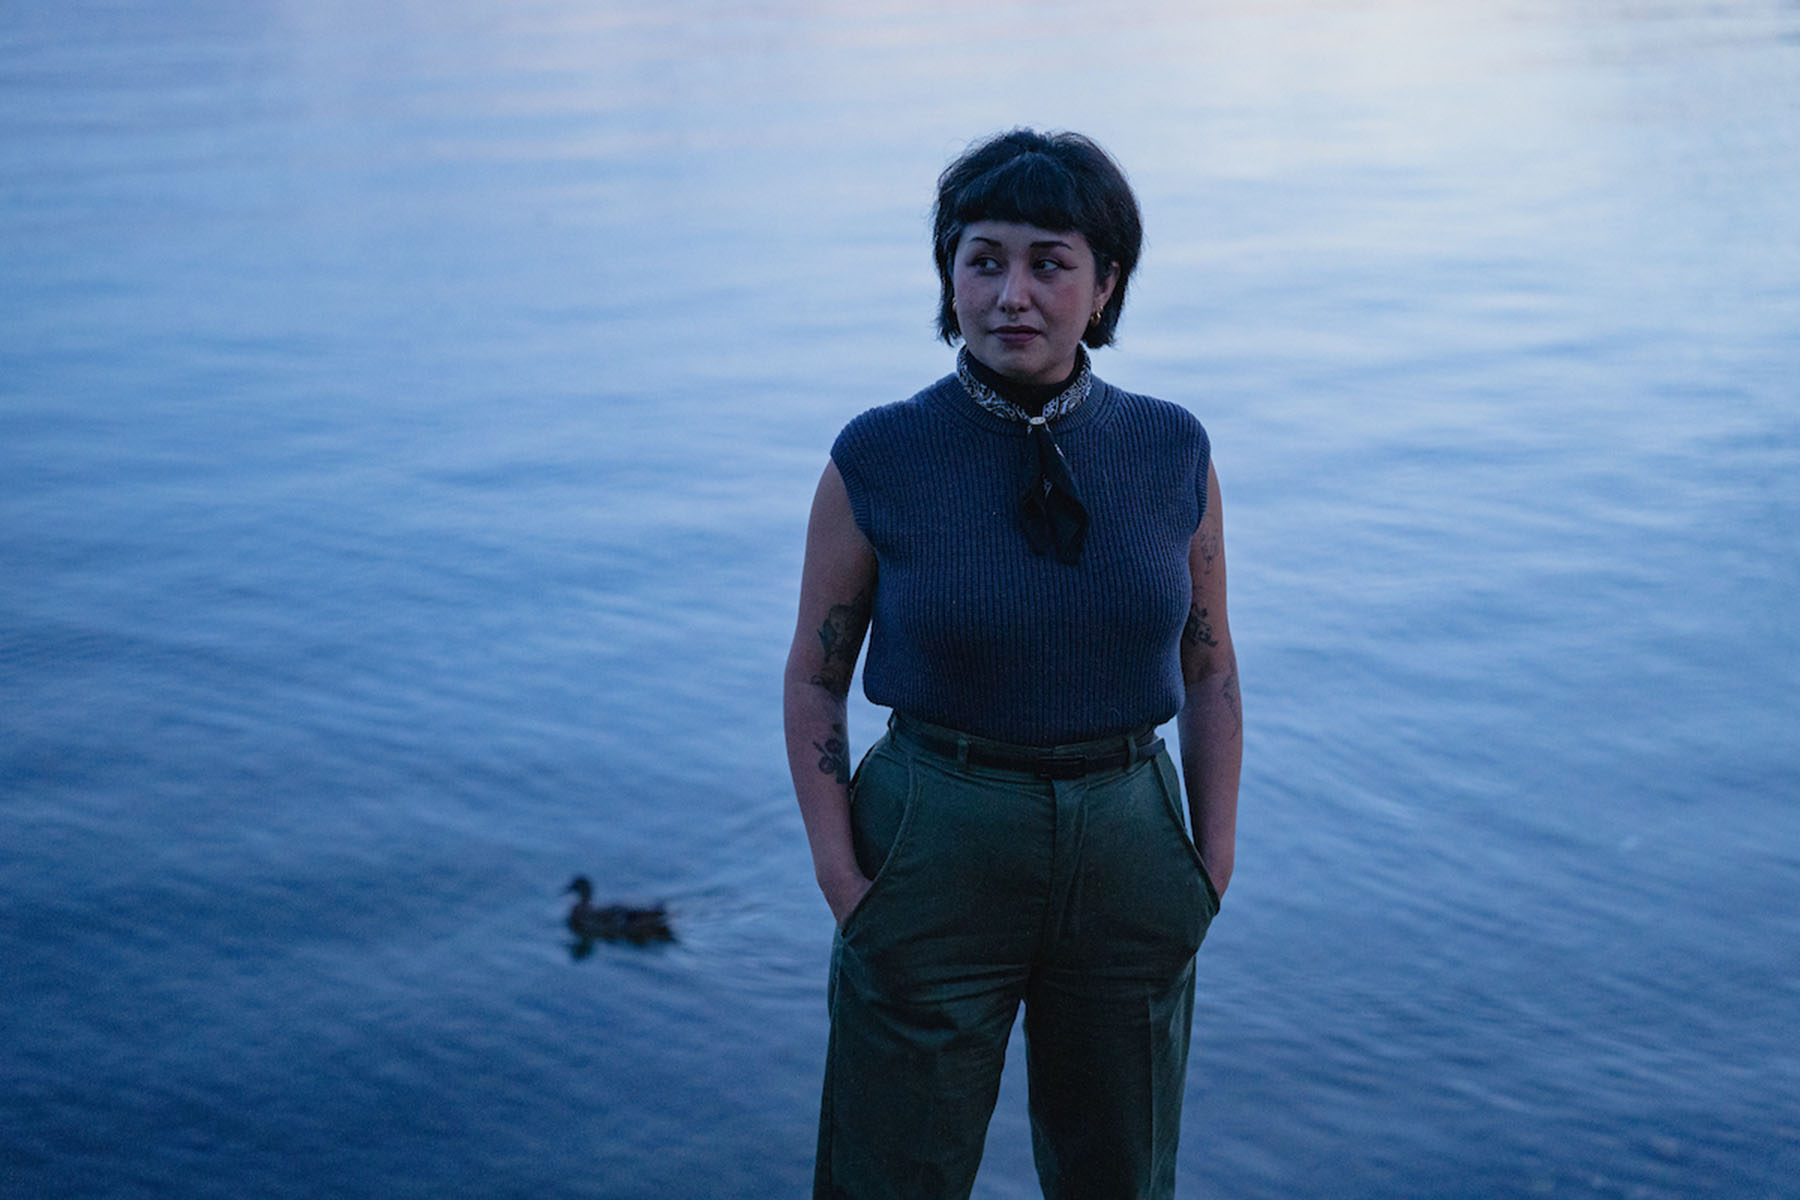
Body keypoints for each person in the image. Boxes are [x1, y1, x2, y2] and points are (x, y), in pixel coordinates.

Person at [782, 128, 1242, 1200]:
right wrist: (842, 876)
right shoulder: (879, 456)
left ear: (1105, 283)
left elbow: (1211, 665)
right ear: (949, 276)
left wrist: (1208, 863)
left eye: (1049, 261)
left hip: (1130, 834)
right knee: (890, 1176)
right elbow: (814, 676)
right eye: (983, 259)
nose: (1012, 294)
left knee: (1118, 1175)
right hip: (933, 832)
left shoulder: (1173, 449)